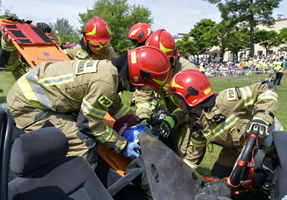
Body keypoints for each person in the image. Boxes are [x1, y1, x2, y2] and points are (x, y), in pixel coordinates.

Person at [6, 46, 171, 169]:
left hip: (32, 95)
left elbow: (116, 107)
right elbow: (89, 124)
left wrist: (136, 126)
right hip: (28, 105)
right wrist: (122, 145)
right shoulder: (106, 82)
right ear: (138, 77)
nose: (142, 90)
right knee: (83, 144)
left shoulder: (109, 71)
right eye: (146, 86)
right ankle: (77, 187)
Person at [162, 69, 281, 178]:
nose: (177, 104)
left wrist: (262, 118)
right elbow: (192, 157)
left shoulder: (226, 100)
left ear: (190, 97)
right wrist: (181, 173)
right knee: (217, 177)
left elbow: (266, 87)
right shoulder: (198, 125)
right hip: (237, 149)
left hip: (272, 140)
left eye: (177, 99)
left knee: (268, 179)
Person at [134, 29, 199, 167]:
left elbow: (193, 107)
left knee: (185, 153)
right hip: (171, 112)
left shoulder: (187, 72)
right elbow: (144, 93)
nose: (159, 65)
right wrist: (144, 116)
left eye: (164, 61)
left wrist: (174, 118)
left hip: (191, 117)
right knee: (169, 149)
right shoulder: (152, 67)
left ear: (173, 58)